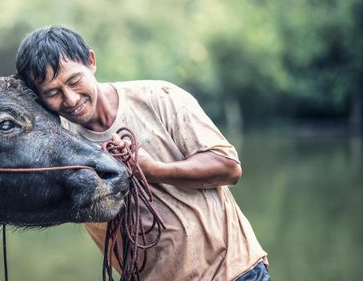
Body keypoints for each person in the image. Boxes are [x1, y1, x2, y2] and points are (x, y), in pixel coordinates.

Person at [15, 26, 270, 281]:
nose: (70, 99)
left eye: (74, 81)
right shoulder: (59, 144)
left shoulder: (160, 98)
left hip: (233, 271)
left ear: (91, 62)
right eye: (53, 93)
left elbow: (228, 167)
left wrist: (153, 171)